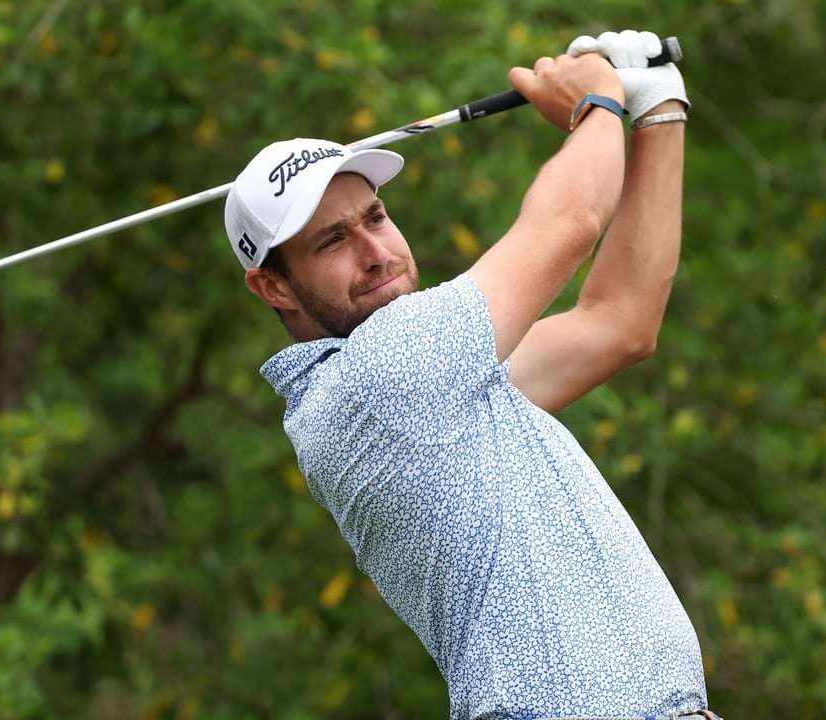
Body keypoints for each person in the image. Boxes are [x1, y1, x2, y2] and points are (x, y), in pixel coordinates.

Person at [223, 30, 719, 720]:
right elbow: (571, 220)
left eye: (375, 217)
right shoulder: (381, 377)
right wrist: (598, 100)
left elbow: (619, 321)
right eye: (332, 241)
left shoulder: (436, 387)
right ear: (273, 289)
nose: (376, 252)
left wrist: (658, 109)